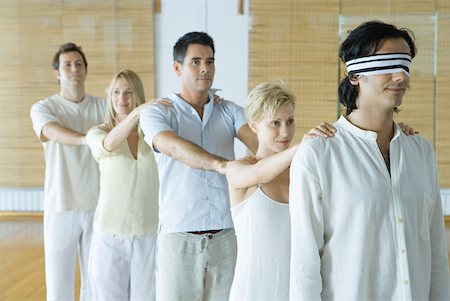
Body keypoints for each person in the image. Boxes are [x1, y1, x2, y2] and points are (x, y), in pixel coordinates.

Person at [289, 20, 450, 300]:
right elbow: (305, 261)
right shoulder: (319, 153)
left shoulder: (421, 151)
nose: (401, 77)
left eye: (405, 65)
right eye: (387, 65)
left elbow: (436, 252)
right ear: (355, 76)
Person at [140, 31, 258, 301]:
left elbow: (260, 145)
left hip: (227, 235)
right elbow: (171, 146)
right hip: (179, 236)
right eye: (196, 61)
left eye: (210, 61)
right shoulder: (158, 112)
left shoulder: (228, 110)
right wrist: (222, 165)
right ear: (177, 67)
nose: (205, 68)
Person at [226, 81, 335, 301]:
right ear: (254, 125)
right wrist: (301, 148)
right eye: (275, 123)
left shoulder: (304, 172)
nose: (285, 132)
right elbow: (261, 172)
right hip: (253, 291)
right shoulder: (238, 170)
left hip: (300, 291)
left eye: (290, 121)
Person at [30, 42, 106, 300]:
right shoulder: (44, 108)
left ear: (85, 69)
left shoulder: (104, 106)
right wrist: (89, 138)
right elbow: (51, 131)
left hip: (98, 206)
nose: (74, 68)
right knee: (58, 283)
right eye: (67, 65)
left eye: (79, 64)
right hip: (60, 205)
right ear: (57, 73)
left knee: (96, 281)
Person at [85, 70, 167, 300]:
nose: (122, 99)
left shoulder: (152, 136)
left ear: (138, 96)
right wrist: (137, 114)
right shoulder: (97, 132)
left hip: (149, 234)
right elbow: (109, 145)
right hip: (109, 235)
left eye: (129, 92)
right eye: (116, 92)